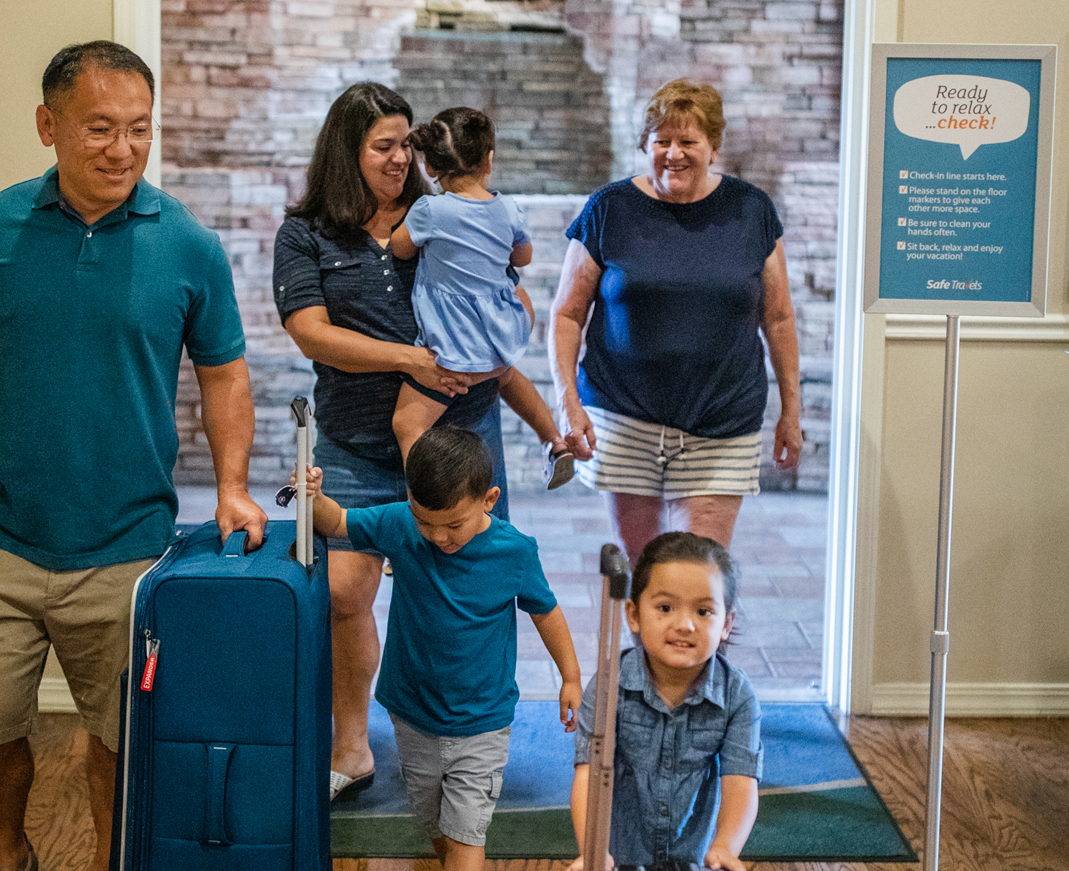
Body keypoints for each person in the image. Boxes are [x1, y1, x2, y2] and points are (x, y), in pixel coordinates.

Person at [0, 41, 265, 871]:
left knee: (116, 734)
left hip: (128, 543)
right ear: (48, 125)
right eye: (99, 128)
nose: (121, 147)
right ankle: (9, 865)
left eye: (138, 128)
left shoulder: (185, 244)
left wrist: (229, 485)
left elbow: (224, 373)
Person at [274, 84, 513, 803]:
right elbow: (311, 332)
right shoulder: (306, 233)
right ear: (348, 152)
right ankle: (352, 740)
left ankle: (462, 744)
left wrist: (513, 314)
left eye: (407, 142)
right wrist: (407, 358)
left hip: (455, 441)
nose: (399, 156)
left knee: (457, 596)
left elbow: (497, 295)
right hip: (349, 443)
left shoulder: (439, 217)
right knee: (346, 591)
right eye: (384, 144)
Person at [304, 426, 581, 871]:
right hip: (412, 710)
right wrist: (313, 498)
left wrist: (570, 676)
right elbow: (337, 524)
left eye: (453, 525)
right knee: (433, 816)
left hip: (482, 718)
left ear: (488, 499)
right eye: (426, 523)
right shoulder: (400, 525)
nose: (438, 537)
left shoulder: (513, 551)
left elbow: (547, 612)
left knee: (467, 826)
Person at [549, 79, 805, 563]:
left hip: (722, 422)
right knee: (644, 572)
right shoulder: (609, 208)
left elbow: (779, 318)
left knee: (698, 573)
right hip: (623, 417)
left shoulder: (751, 212)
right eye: (661, 141)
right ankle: (640, 643)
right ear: (645, 145)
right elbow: (566, 314)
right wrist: (568, 402)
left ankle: (705, 644)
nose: (674, 154)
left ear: (713, 148)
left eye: (688, 141)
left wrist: (792, 410)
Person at [561, 532, 761, 871]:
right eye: (666, 608)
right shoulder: (609, 686)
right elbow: (588, 772)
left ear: (726, 624)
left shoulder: (737, 694)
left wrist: (726, 847)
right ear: (634, 615)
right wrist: (592, 850)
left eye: (703, 612)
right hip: (618, 860)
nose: (685, 625)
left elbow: (740, 781)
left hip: (695, 862)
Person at [389, 107, 573, 488]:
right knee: (505, 373)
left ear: (429, 166)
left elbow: (399, 249)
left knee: (407, 423)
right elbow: (523, 256)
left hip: (455, 346)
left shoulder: (430, 210)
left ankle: (428, 498)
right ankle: (554, 441)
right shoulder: (507, 208)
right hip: (501, 330)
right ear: (488, 160)